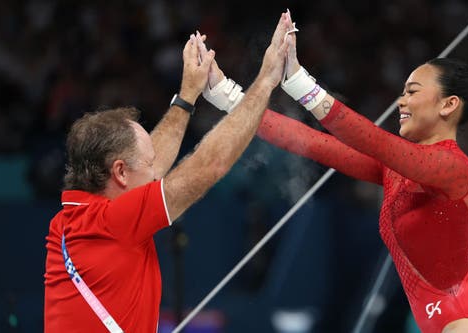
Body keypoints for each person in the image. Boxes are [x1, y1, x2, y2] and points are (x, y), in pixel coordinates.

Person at [197, 11, 468, 333]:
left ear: (448, 105)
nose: (401, 101)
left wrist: (298, 80)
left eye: (413, 91)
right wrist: (226, 95)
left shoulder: (455, 169)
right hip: (441, 322)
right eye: (403, 91)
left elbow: (371, 139)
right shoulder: (398, 170)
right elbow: (314, 143)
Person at [43, 13, 293, 332]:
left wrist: (187, 96)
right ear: (119, 172)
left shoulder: (70, 221)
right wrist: (266, 82)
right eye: (148, 166)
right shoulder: (112, 223)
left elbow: (150, 160)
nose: (155, 173)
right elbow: (209, 165)